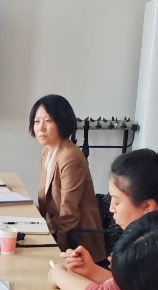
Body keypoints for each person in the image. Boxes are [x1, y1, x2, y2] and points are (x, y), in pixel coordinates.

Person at [48, 141, 158, 290]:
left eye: (117, 201)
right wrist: (90, 269)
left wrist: (57, 274)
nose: (111, 208)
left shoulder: (155, 243)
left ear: (147, 206)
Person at [30, 94, 107, 261]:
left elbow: (69, 213)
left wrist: (58, 249)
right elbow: (46, 201)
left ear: (62, 122)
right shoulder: (47, 152)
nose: (40, 128)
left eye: (48, 121)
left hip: (77, 244)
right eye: (36, 121)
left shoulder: (70, 157)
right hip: (55, 231)